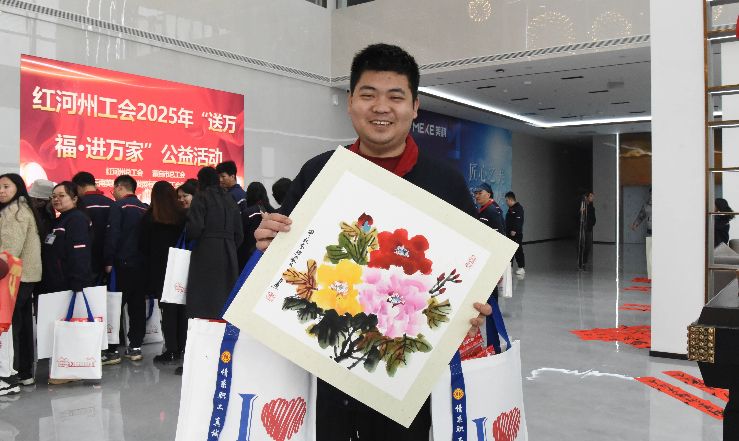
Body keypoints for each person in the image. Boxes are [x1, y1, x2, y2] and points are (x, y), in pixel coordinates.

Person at [254, 43, 494, 441]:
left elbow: (475, 270)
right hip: (327, 374)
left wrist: (477, 304)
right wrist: (267, 243)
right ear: (350, 102)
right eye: (368, 95)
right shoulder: (319, 173)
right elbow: (283, 264)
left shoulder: (445, 183)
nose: (381, 107)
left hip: (406, 382)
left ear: (415, 107)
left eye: (395, 97)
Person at [41, 182, 94, 385]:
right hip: (55, 284)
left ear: (74, 198)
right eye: (54, 196)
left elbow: (80, 252)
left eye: (61, 195)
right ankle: (63, 368)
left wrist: (77, 281)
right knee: (60, 327)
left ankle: (70, 370)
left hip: (68, 284)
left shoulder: (77, 219)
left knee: (69, 328)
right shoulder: (60, 219)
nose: (56, 199)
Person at [0, 174, 42, 393]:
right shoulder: (23, 208)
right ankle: (24, 373)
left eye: (6, 186)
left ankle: (10, 376)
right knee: (22, 326)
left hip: (13, 277)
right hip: (25, 277)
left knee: (10, 328)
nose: (1, 191)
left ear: (18, 188)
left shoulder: (14, 212)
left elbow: (8, 252)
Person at [185, 167, 243, 319]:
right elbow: (239, 233)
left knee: (203, 298)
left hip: (206, 251)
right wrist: (230, 246)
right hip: (229, 252)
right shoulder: (230, 199)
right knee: (225, 296)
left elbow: (195, 228)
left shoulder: (201, 197)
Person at [139, 182, 186, 363]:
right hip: (180, 267)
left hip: (159, 270)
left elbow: (142, 246)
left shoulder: (149, 218)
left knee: (167, 310)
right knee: (181, 309)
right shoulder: (182, 216)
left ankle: (171, 349)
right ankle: (182, 348)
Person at [104, 175, 148, 362]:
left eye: (113, 189)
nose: (113, 193)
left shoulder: (118, 206)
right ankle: (135, 347)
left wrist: (108, 260)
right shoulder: (145, 208)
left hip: (121, 265)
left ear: (120, 187)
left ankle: (112, 349)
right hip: (141, 266)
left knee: (115, 306)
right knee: (137, 307)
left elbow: (113, 234)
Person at [72, 172, 114, 283]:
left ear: (78, 187)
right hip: (108, 259)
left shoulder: (79, 205)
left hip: (86, 259)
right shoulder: (112, 203)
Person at [238, 182, 276, 268]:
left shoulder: (247, 213)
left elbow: (240, 234)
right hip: (268, 255)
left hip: (249, 256)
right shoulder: (272, 212)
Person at [505, 191, 525, 275]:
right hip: (509, 234)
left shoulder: (518, 208)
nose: (506, 202)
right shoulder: (511, 209)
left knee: (518, 251)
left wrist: (514, 230)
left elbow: (518, 220)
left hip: (516, 234)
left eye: (506, 200)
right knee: (510, 251)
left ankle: (521, 268)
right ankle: (510, 267)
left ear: (510, 199)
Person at [578, 191, 596, 270]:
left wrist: (591, 223)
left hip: (589, 229)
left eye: (593, 196)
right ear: (587, 197)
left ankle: (584, 262)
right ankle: (580, 263)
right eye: (591, 196)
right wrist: (580, 212)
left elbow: (594, 219)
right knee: (582, 245)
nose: (593, 198)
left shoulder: (592, 208)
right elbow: (578, 217)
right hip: (582, 229)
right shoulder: (583, 206)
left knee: (588, 246)